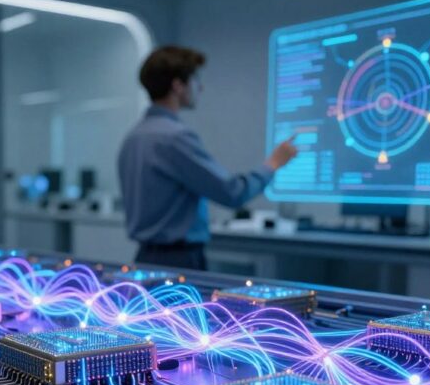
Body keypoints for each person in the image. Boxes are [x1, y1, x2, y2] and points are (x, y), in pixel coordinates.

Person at [117, 46, 298, 271]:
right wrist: (273, 164)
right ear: (178, 85)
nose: (200, 87)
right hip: (178, 262)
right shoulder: (174, 137)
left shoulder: (133, 137)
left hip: (145, 259)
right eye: (195, 79)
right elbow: (232, 193)